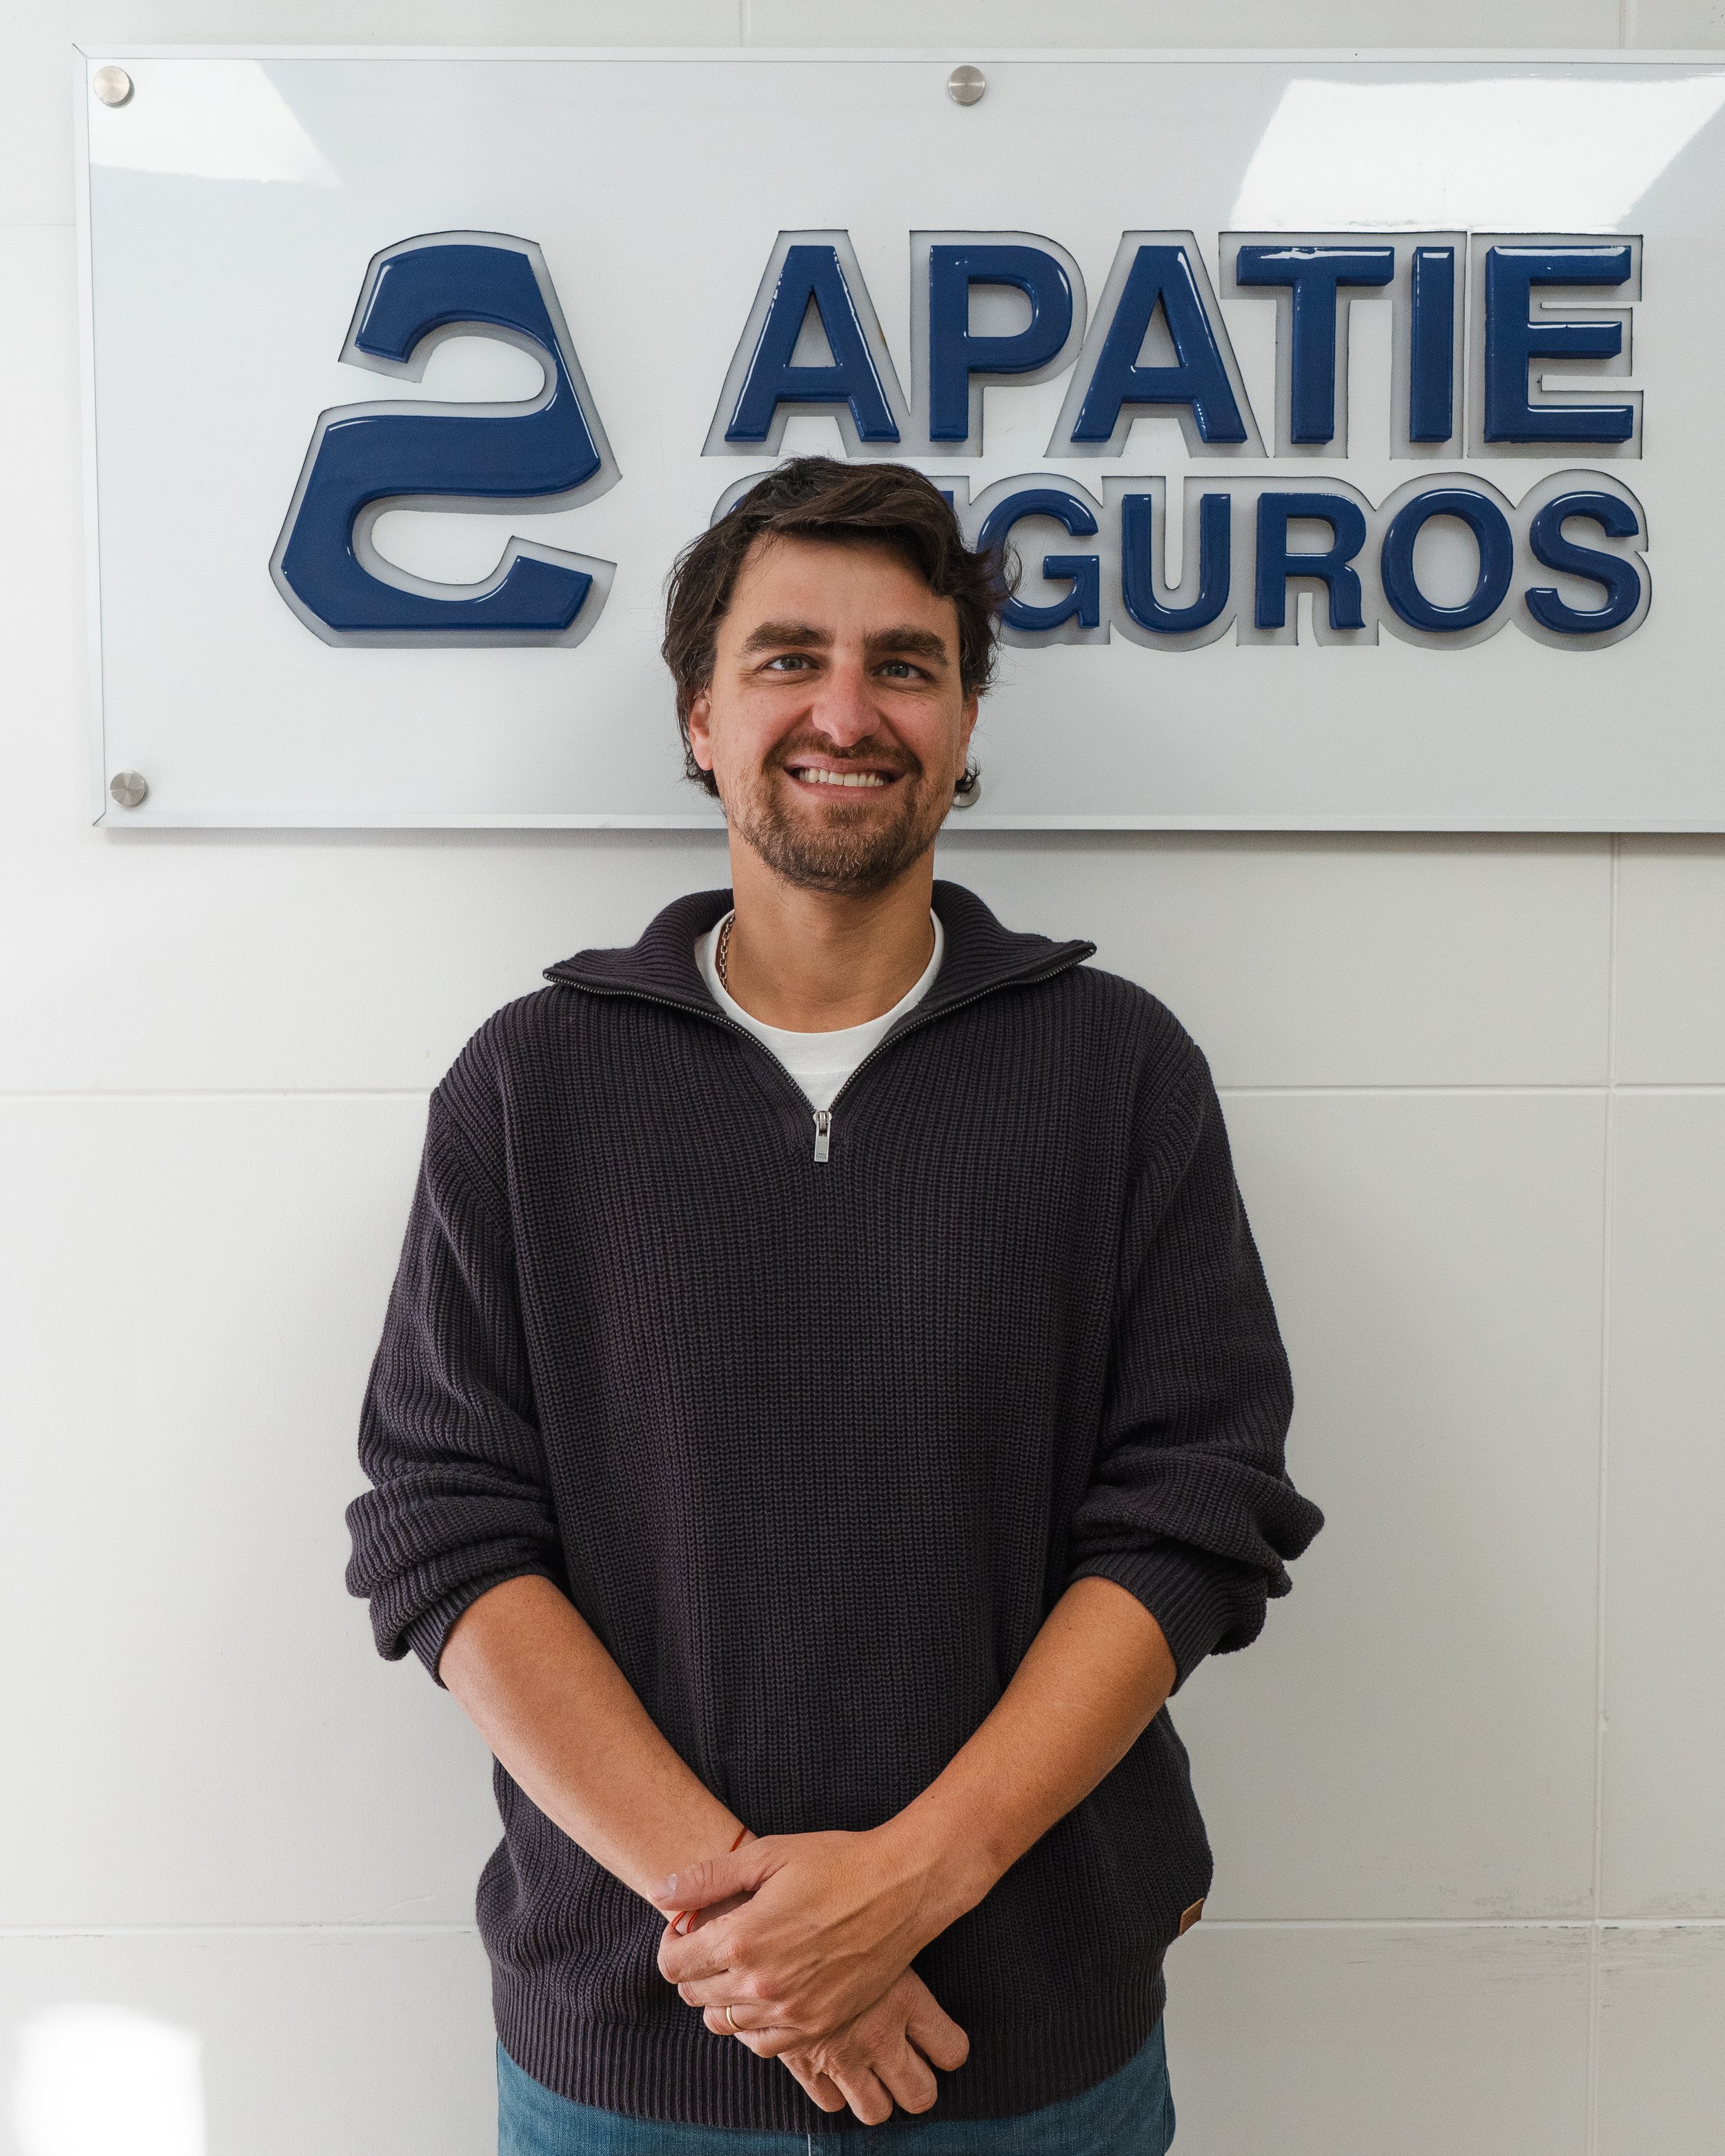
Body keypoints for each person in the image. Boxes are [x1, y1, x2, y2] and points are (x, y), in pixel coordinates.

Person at [345, 456, 1323, 2151]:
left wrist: (908, 1885)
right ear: (700, 717)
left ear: (961, 722)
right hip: (635, 2043)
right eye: (787, 659)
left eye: (904, 665)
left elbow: (1193, 1512)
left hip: (1032, 2046)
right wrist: (762, 1933)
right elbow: (444, 1527)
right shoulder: (532, 1083)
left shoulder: (1115, 1072)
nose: (845, 712)